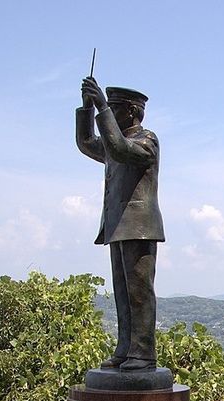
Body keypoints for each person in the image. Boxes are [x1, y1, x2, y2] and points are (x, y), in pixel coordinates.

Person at [77, 76, 163, 372]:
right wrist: (87, 110)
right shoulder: (116, 142)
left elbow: (120, 148)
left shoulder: (145, 140)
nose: (110, 113)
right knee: (123, 293)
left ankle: (143, 352)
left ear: (132, 110)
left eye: (114, 108)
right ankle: (126, 349)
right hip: (117, 227)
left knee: (139, 292)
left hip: (140, 226)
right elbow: (87, 143)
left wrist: (100, 106)